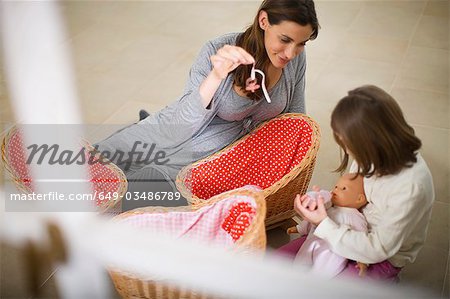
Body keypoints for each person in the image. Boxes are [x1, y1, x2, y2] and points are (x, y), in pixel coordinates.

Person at [94, 0, 320, 210]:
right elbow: (184, 118)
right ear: (264, 21)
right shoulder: (216, 49)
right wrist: (216, 77)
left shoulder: (296, 59)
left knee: (135, 196)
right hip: (179, 128)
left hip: (224, 164)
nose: (291, 53)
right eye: (285, 40)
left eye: (301, 43)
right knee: (95, 167)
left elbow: (295, 119)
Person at [278, 85, 435, 282]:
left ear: (371, 142)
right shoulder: (370, 156)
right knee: (275, 264)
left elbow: (379, 248)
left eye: (349, 145)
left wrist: (324, 225)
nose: (348, 152)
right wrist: (321, 205)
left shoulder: (410, 187)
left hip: (380, 256)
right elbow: (352, 198)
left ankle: (385, 282)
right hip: (345, 229)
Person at [286, 174, 369, 278]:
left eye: (343, 188)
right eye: (336, 187)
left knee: (320, 274)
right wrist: (299, 228)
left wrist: (362, 260)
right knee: (298, 265)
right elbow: (312, 220)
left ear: (359, 199)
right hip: (312, 243)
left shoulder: (356, 217)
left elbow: (360, 240)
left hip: (333, 252)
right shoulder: (328, 208)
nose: (335, 190)